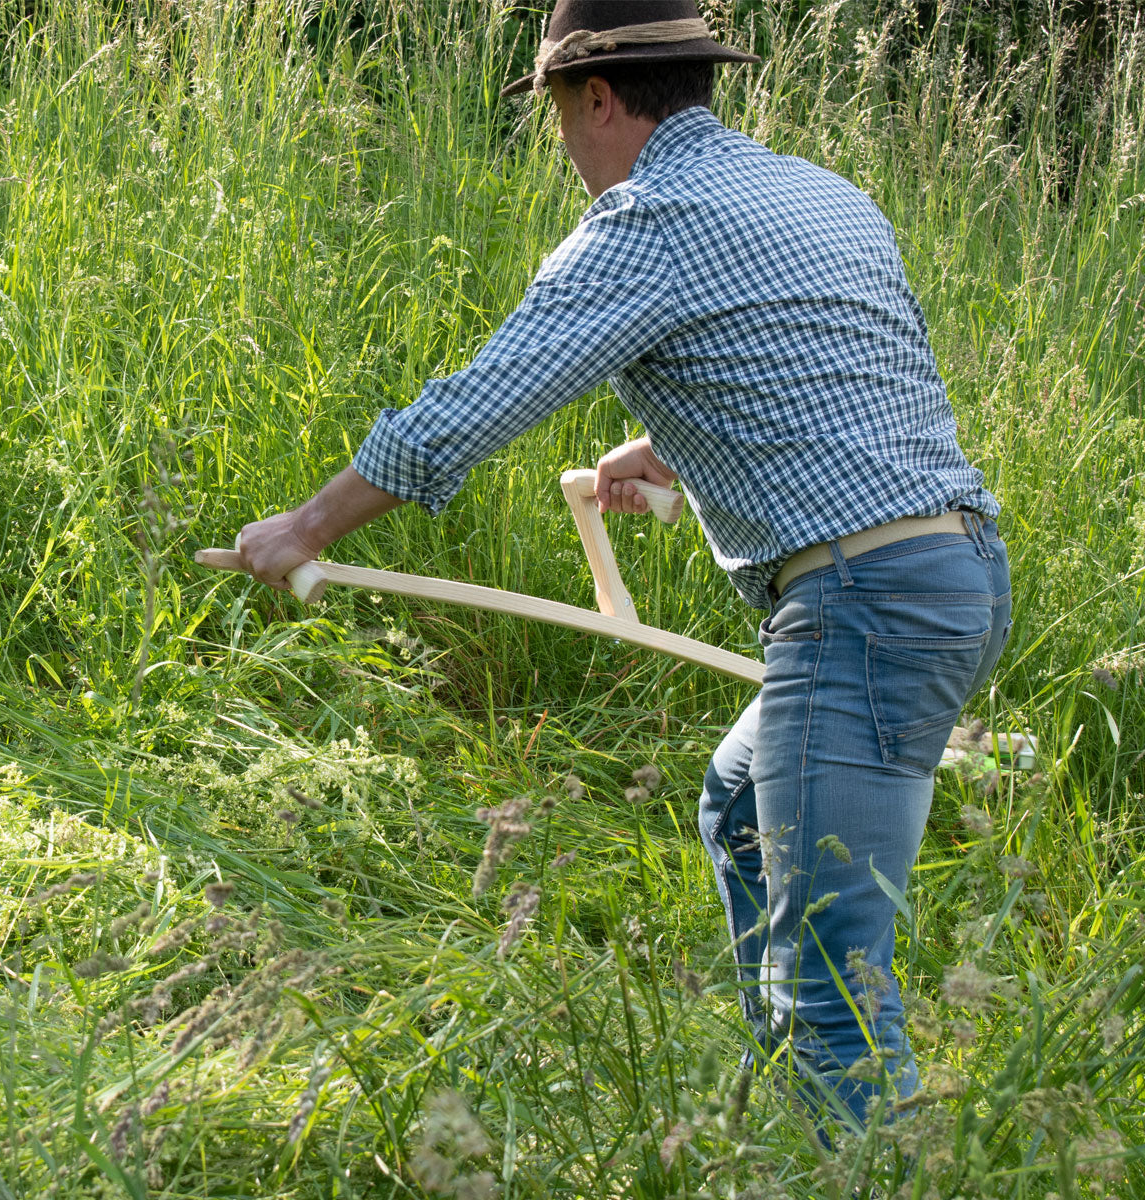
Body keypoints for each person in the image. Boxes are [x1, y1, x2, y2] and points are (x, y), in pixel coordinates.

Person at [233, 0, 1012, 1126]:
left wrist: (306, 526)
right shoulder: (819, 193)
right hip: (960, 574)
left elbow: (468, 410)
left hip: (866, 605)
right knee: (742, 803)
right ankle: (797, 1115)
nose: (560, 144)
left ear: (598, 97)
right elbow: (849, 385)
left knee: (834, 982)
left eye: (556, 112)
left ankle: (850, 1140)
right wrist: (677, 445)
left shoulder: (648, 219)